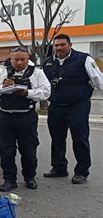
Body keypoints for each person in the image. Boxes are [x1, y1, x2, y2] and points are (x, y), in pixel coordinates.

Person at [0, 46, 51, 192]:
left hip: (26, 117)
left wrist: (26, 92)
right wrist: (2, 87)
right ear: (10, 58)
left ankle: (30, 177)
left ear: (28, 59)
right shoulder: (1, 72)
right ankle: (9, 180)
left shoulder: (37, 73)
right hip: (5, 117)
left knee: (29, 150)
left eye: (23, 59)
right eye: (16, 59)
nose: (19, 62)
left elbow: (46, 92)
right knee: (6, 150)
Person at [43, 34, 103, 184]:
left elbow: (98, 80)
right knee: (57, 139)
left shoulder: (84, 59)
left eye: (62, 44)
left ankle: (82, 171)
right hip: (56, 107)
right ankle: (59, 167)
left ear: (70, 44)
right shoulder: (48, 63)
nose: (59, 48)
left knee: (80, 138)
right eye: (56, 45)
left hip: (78, 106)